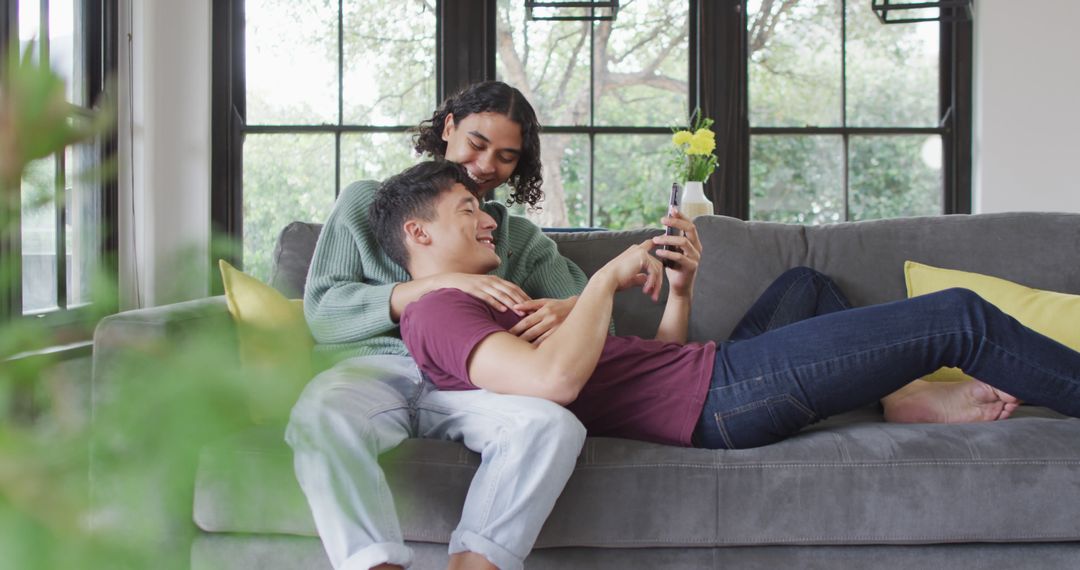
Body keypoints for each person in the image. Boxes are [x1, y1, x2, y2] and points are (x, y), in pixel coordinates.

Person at [374, 160, 1080, 452]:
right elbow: (553, 384)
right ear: (418, 232)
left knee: (807, 284)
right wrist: (599, 284)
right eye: (468, 209)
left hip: (701, 379)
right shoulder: (438, 314)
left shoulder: (482, 302)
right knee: (955, 316)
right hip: (721, 400)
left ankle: (898, 399)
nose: (489, 219)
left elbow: (649, 366)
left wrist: (678, 292)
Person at [286, 82, 596, 570]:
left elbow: (601, 326)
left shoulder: (520, 239)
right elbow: (324, 311)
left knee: (550, 426)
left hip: (468, 384)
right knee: (321, 414)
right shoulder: (369, 205)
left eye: (507, 156)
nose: (488, 164)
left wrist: (571, 308)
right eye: (477, 143)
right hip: (371, 373)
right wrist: (442, 284)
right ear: (448, 128)